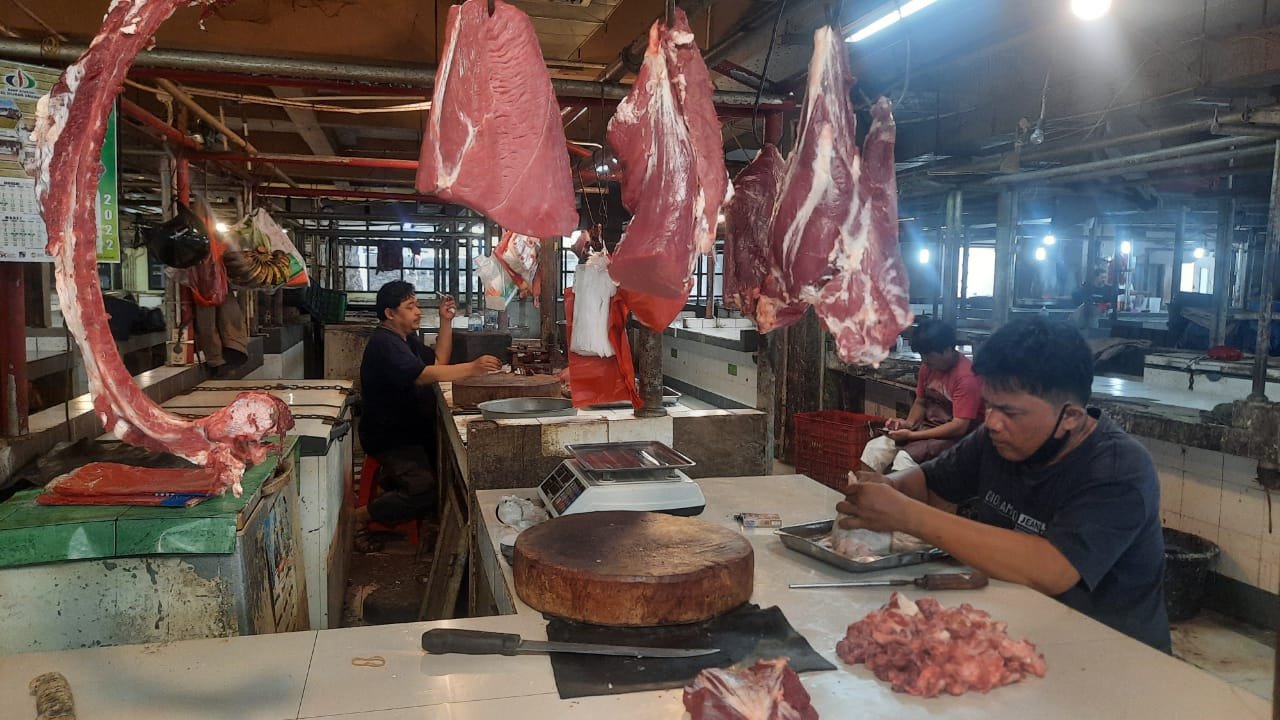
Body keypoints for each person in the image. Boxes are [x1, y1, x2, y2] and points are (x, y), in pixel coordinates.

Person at [838, 318, 1170, 652]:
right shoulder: (994, 441)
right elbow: (927, 484)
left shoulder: (1118, 470)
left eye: (1010, 412)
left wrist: (908, 516)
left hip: (1109, 652)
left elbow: (1053, 570)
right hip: (1021, 633)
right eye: (990, 405)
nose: (993, 422)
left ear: (1070, 416)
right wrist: (884, 489)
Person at [354, 281, 501, 546]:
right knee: (426, 491)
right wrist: (472, 368)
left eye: (417, 305)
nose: (418, 312)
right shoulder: (385, 343)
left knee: (442, 468)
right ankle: (361, 516)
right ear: (390, 314)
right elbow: (423, 376)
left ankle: (397, 490)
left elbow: (438, 362)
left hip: (409, 430)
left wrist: (446, 322)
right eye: (410, 307)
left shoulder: (405, 340)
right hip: (389, 437)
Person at [860, 319, 983, 474]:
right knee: (875, 449)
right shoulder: (928, 367)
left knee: (905, 459)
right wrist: (907, 424)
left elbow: (959, 427)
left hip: (958, 438)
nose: (925, 360)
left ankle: (895, 496)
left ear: (947, 350)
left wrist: (913, 435)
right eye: (922, 355)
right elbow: (921, 402)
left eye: (929, 356)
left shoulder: (966, 378)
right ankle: (864, 494)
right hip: (928, 427)